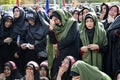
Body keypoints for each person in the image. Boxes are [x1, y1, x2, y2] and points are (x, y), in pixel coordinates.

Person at [49, 9, 81, 79]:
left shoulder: (72, 23)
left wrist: (58, 45)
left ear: (61, 16)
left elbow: (70, 39)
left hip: (71, 55)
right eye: (54, 20)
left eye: (57, 19)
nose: (56, 21)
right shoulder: (56, 27)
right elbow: (53, 41)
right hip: (61, 56)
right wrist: (51, 29)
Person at [12, 6, 29, 74]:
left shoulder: (26, 24)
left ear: (21, 12)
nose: (15, 13)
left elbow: (26, 39)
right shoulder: (13, 23)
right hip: (13, 50)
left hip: (23, 51)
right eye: (14, 11)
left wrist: (19, 51)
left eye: (17, 11)